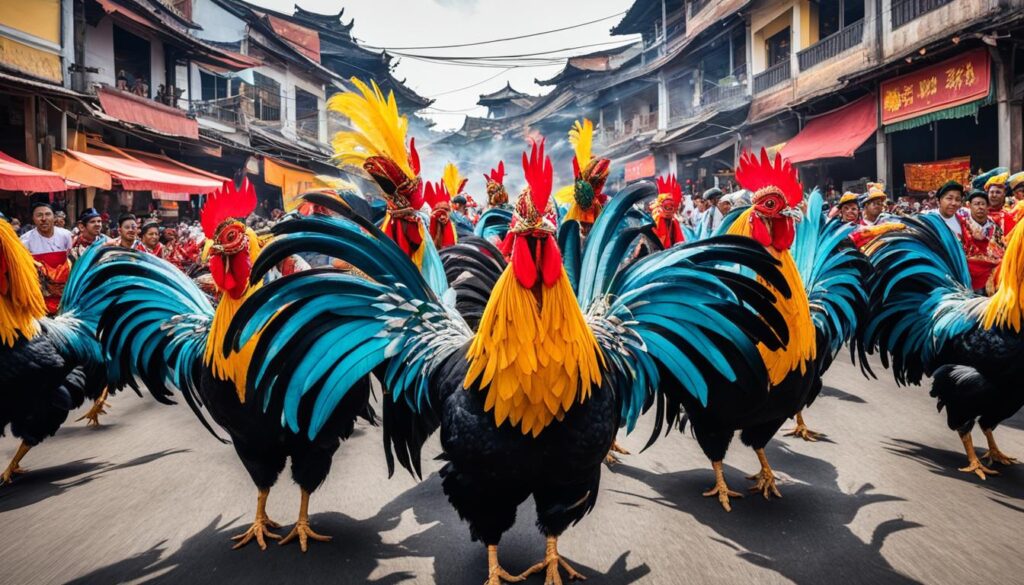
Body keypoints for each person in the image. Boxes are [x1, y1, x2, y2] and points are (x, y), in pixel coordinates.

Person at [19, 201, 73, 314]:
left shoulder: (66, 235)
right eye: (39, 215)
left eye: (48, 214)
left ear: (54, 217)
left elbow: (70, 260)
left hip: (64, 292)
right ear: (33, 219)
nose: (44, 218)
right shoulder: (25, 241)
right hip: (39, 293)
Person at [958, 189, 1004, 294]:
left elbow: (1001, 251)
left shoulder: (995, 228)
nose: (980, 207)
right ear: (969, 206)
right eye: (976, 204)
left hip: (992, 272)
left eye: (983, 204)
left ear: (988, 207)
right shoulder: (963, 226)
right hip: (969, 273)